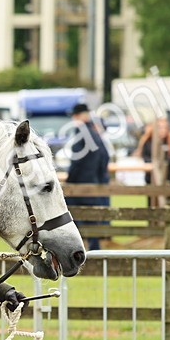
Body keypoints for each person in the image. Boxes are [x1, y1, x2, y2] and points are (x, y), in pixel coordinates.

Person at [64, 103, 111, 252]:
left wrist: (70, 180)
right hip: (94, 181)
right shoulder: (94, 132)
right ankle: (93, 247)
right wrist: (100, 176)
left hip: (81, 182)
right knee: (91, 218)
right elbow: (105, 156)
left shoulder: (81, 131)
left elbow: (76, 160)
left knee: (67, 213)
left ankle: (74, 248)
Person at [138, 116, 170, 185]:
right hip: (151, 176)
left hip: (167, 176)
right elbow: (145, 157)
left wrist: (163, 163)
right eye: (160, 128)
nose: (162, 130)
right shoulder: (147, 141)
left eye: (165, 127)